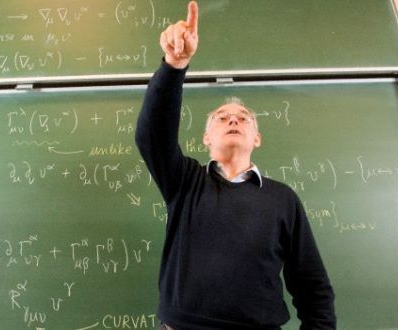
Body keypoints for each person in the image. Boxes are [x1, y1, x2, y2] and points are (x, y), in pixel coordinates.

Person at [135, 2, 336, 329]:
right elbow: (152, 135)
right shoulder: (186, 183)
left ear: (257, 138)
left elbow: (312, 286)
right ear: (205, 138)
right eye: (222, 117)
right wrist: (174, 65)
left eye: (243, 118)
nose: (233, 119)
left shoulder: (282, 198)